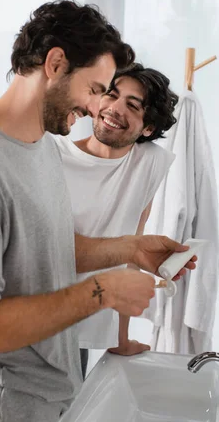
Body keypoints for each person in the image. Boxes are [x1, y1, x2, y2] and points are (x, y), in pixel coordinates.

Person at [0, 0, 196, 422]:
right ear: (54, 65)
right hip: (0, 412)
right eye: (95, 89)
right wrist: (105, 290)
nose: (97, 107)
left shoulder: (38, 147)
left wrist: (132, 249)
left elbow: (49, 247)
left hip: (41, 399)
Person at [55, 63, 180, 375]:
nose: (114, 108)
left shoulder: (148, 164)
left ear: (148, 128)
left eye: (133, 105)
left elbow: (130, 256)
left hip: (81, 325)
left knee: (67, 419)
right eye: (111, 95)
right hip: (33, 320)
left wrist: (119, 339)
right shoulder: (53, 155)